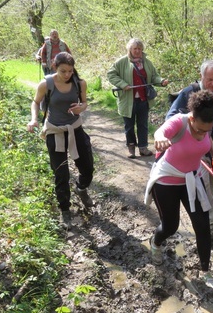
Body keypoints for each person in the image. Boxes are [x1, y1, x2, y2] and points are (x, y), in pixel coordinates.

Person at [144, 90, 213, 291]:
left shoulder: (206, 123)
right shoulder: (180, 121)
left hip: (191, 181)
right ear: (192, 118)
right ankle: (156, 243)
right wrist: (159, 138)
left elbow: (208, 139)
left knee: (202, 227)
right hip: (167, 181)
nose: (203, 133)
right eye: (200, 130)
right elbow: (161, 132)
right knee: (170, 226)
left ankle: (205, 272)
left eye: (207, 130)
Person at [166, 60, 213, 241]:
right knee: (206, 185)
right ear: (201, 76)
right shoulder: (188, 93)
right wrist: (188, 131)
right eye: (210, 80)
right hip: (199, 148)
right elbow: (171, 116)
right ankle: (212, 224)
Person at [27, 52, 94, 228]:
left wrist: (81, 107)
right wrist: (34, 119)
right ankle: (65, 210)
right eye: (63, 71)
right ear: (55, 67)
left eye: (70, 71)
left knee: (87, 167)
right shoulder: (46, 84)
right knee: (61, 173)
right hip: (55, 131)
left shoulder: (79, 83)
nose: (67, 75)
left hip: (75, 128)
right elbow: (35, 102)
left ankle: (81, 188)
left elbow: (85, 102)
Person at [107, 38, 169, 159]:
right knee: (129, 126)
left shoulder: (147, 62)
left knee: (143, 125)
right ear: (130, 49)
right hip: (127, 101)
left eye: (139, 49)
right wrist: (123, 84)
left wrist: (161, 81)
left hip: (143, 100)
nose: (137, 51)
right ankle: (131, 149)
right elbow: (111, 74)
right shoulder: (122, 62)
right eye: (135, 48)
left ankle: (143, 148)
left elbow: (154, 77)